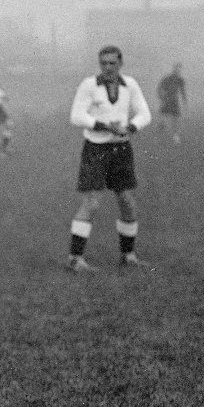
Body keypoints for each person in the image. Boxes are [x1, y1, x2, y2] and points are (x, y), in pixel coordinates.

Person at [66, 46, 151, 272]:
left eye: (112, 63)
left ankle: (128, 255)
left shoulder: (129, 85)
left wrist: (130, 127)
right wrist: (103, 126)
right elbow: (76, 115)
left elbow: (145, 113)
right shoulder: (89, 85)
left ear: (120, 63)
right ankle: (75, 258)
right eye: (103, 63)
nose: (107, 67)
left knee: (126, 200)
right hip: (95, 149)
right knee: (92, 202)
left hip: (121, 149)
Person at [156, 63, 187, 145]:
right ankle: (161, 129)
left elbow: (182, 90)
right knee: (163, 116)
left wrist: (184, 100)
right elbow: (160, 88)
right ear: (174, 69)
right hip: (167, 99)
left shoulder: (180, 80)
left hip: (174, 100)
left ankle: (175, 136)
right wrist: (161, 97)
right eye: (177, 69)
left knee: (175, 118)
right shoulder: (167, 78)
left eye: (179, 69)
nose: (178, 71)